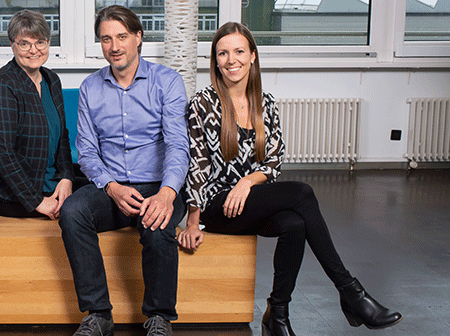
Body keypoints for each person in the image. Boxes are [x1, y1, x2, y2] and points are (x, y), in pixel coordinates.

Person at [178, 22, 402, 336]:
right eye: (223, 53)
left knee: (295, 224)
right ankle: (351, 292)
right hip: (217, 205)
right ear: (215, 61)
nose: (231, 60)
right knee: (302, 193)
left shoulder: (265, 104)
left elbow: (274, 159)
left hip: (250, 202)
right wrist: (192, 221)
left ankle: (277, 314)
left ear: (253, 56)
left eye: (239, 51)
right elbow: (196, 165)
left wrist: (247, 182)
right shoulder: (203, 104)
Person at [58, 5, 189, 336]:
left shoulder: (167, 82)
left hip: (158, 186)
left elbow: (178, 146)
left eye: (121, 36)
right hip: (112, 188)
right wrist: (112, 187)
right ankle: (98, 313)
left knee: (158, 229)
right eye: (105, 39)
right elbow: (86, 152)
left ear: (138, 37)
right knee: (72, 212)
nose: (114, 46)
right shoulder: (91, 87)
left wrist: (166, 194)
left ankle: (159, 317)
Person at [0, 9, 74, 219]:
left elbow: (62, 135)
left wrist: (66, 178)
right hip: (13, 194)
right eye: (24, 43)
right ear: (12, 45)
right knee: (76, 214)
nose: (33, 50)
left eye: (40, 42)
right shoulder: (1, 85)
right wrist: (36, 201)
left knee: (94, 194)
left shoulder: (52, 80)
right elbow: (1, 153)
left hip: (49, 183)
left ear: (48, 43)